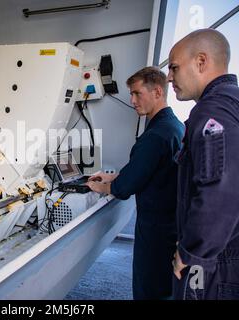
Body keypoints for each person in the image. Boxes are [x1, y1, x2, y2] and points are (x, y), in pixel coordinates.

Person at [168, 28, 239, 300]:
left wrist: (194, 251)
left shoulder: (214, 109)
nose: (169, 77)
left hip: (217, 270)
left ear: (201, 62)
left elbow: (234, 189)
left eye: (174, 67)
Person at [86, 67, 185, 300]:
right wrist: (115, 176)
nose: (132, 100)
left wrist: (100, 186)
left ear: (158, 92)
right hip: (171, 223)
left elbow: (124, 189)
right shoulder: (174, 126)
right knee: (165, 285)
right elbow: (152, 171)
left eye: (137, 93)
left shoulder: (156, 135)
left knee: (149, 288)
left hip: (156, 229)